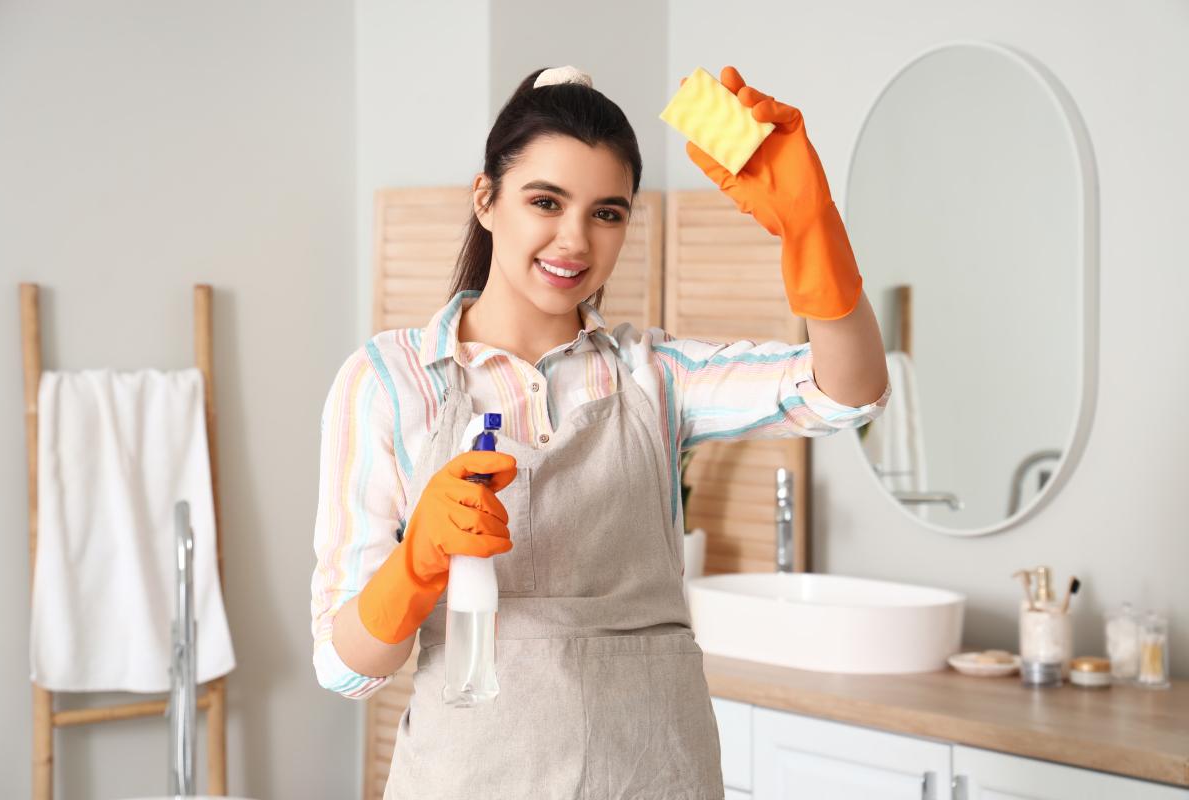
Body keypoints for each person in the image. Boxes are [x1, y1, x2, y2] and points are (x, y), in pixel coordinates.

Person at [311, 64, 891, 799]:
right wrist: (417, 563)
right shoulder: (391, 381)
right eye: (545, 201)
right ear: (486, 200)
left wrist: (813, 227)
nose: (574, 240)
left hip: (657, 778)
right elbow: (344, 667)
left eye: (607, 213)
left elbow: (848, 392)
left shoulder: (656, 375)